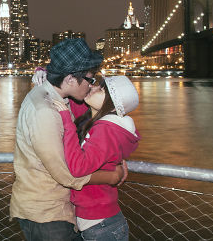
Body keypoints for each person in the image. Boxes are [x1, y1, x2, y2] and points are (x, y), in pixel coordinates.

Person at [11, 38, 127, 241]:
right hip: (45, 214)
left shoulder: (56, 99)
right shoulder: (45, 111)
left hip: (54, 209)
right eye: (90, 80)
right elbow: (65, 175)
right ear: (71, 79)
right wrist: (111, 176)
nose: (92, 86)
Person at [59, 75, 141, 241]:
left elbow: (77, 168)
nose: (92, 88)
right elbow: (73, 97)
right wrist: (50, 76)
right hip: (97, 220)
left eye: (101, 89)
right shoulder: (94, 120)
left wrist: (65, 118)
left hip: (101, 225)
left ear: (113, 103)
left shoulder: (107, 130)